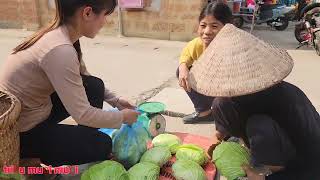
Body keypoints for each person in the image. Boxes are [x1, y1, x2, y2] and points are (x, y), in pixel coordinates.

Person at [0, 0, 140, 167]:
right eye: (105, 15)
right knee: (102, 145)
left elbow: (83, 78)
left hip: (38, 110)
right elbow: (83, 114)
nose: (105, 22)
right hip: (20, 133)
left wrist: (116, 101)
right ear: (87, 13)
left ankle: (81, 138)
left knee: (94, 86)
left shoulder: (61, 34)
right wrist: (122, 117)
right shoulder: (60, 50)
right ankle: (27, 159)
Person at [188, 24, 320, 179]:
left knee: (259, 125)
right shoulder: (232, 98)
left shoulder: (291, 101)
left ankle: (273, 166)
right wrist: (218, 137)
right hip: (267, 139)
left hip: (296, 158)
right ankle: (253, 150)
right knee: (220, 104)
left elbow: (315, 164)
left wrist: (266, 178)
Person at [177, 2, 233, 124]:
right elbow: (186, 54)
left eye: (214, 26)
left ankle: (233, 124)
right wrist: (183, 68)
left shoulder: (234, 48)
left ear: (228, 28)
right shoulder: (198, 44)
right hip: (212, 88)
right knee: (183, 70)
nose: (207, 31)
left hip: (232, 92)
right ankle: (204, 112)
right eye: (203, 25)